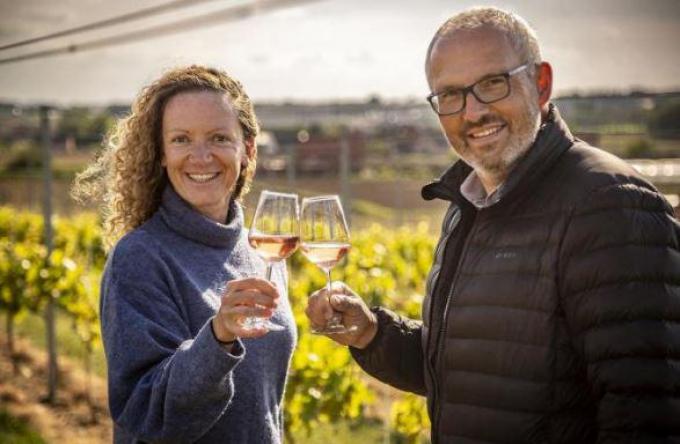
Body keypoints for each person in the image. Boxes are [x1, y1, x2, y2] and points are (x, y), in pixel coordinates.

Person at [306, 7, 680, 443]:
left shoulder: (609, 204)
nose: (473, 111)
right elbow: (469, 376)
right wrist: (371, 334)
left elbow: (647, 415)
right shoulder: (469, 202)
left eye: (491, 84)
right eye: (450, 95)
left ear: (540, 84)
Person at [73, 65, 296, 443]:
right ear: (160, 153)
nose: (201, 156)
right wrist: (219, 337)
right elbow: (146, 411)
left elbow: (265, 407)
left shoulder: (261, 251)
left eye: (219, 138)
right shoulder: (140, 259)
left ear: (248, 150)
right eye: (181, 139)